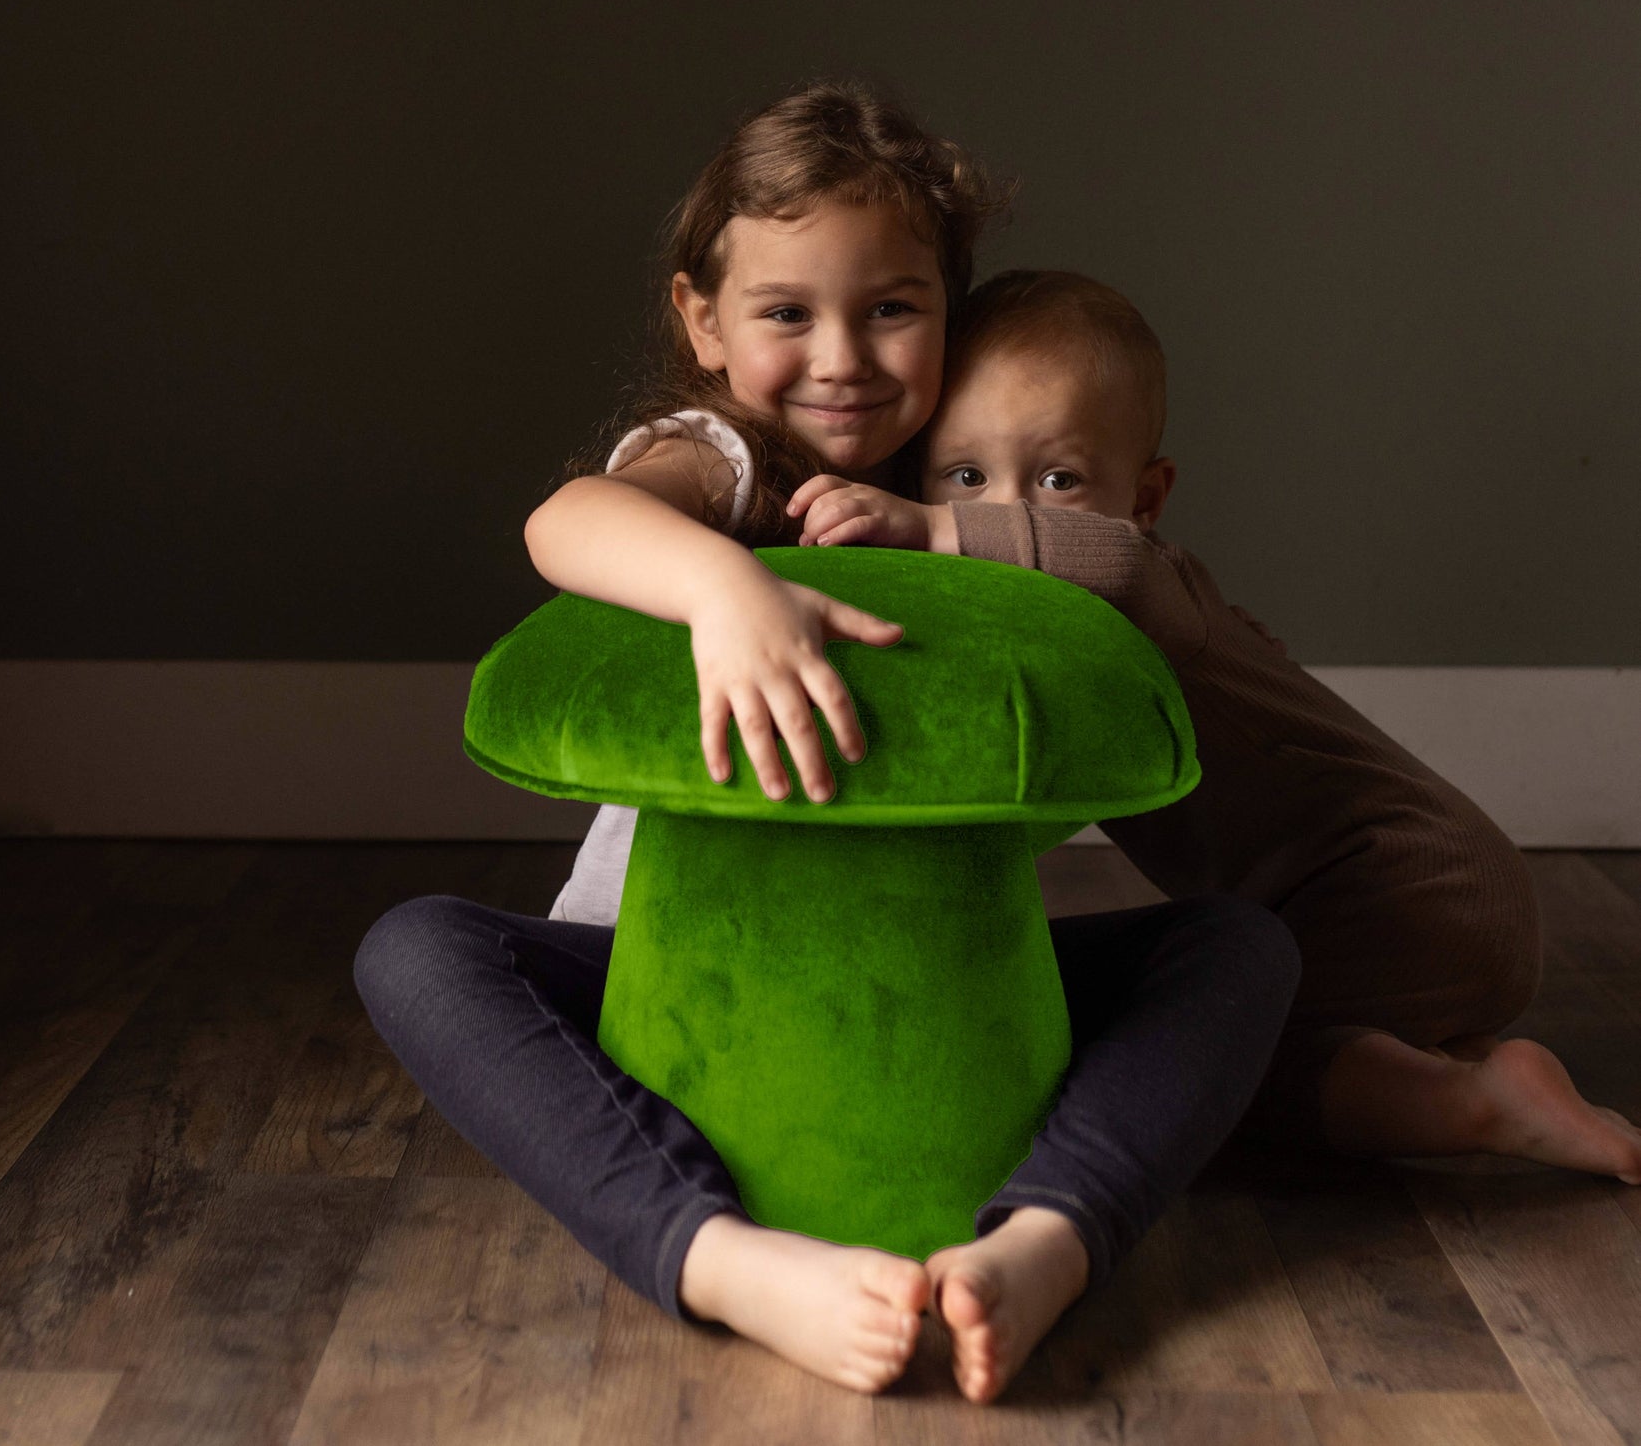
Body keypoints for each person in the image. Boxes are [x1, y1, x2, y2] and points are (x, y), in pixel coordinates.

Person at [356, 86, 1300, 1405]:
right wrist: (724, 587)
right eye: (786, 312)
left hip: (937, 972)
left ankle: (1045, 1236)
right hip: (652, 963)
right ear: (701, 321)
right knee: (415, 949)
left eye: (892, 308)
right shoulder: (727, 458)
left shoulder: (955, 477)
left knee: (1236, 948)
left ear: (949, 313)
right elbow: (566, 521)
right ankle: (716, 1254)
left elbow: (1112, 568)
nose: (841, 357)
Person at [787, 267, 1641, 1185]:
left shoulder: (1149, 582)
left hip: (1407, 885)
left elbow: (1108, 564)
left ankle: (1471, 1104)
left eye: (1059, 478)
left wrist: (927, 525)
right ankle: (1439, 1061)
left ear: (1146, 502)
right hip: (1398, 904)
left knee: (1185, 1071)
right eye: (964, 475)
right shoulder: (1079, 625)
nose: (998, 509)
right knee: (1253, 1034)